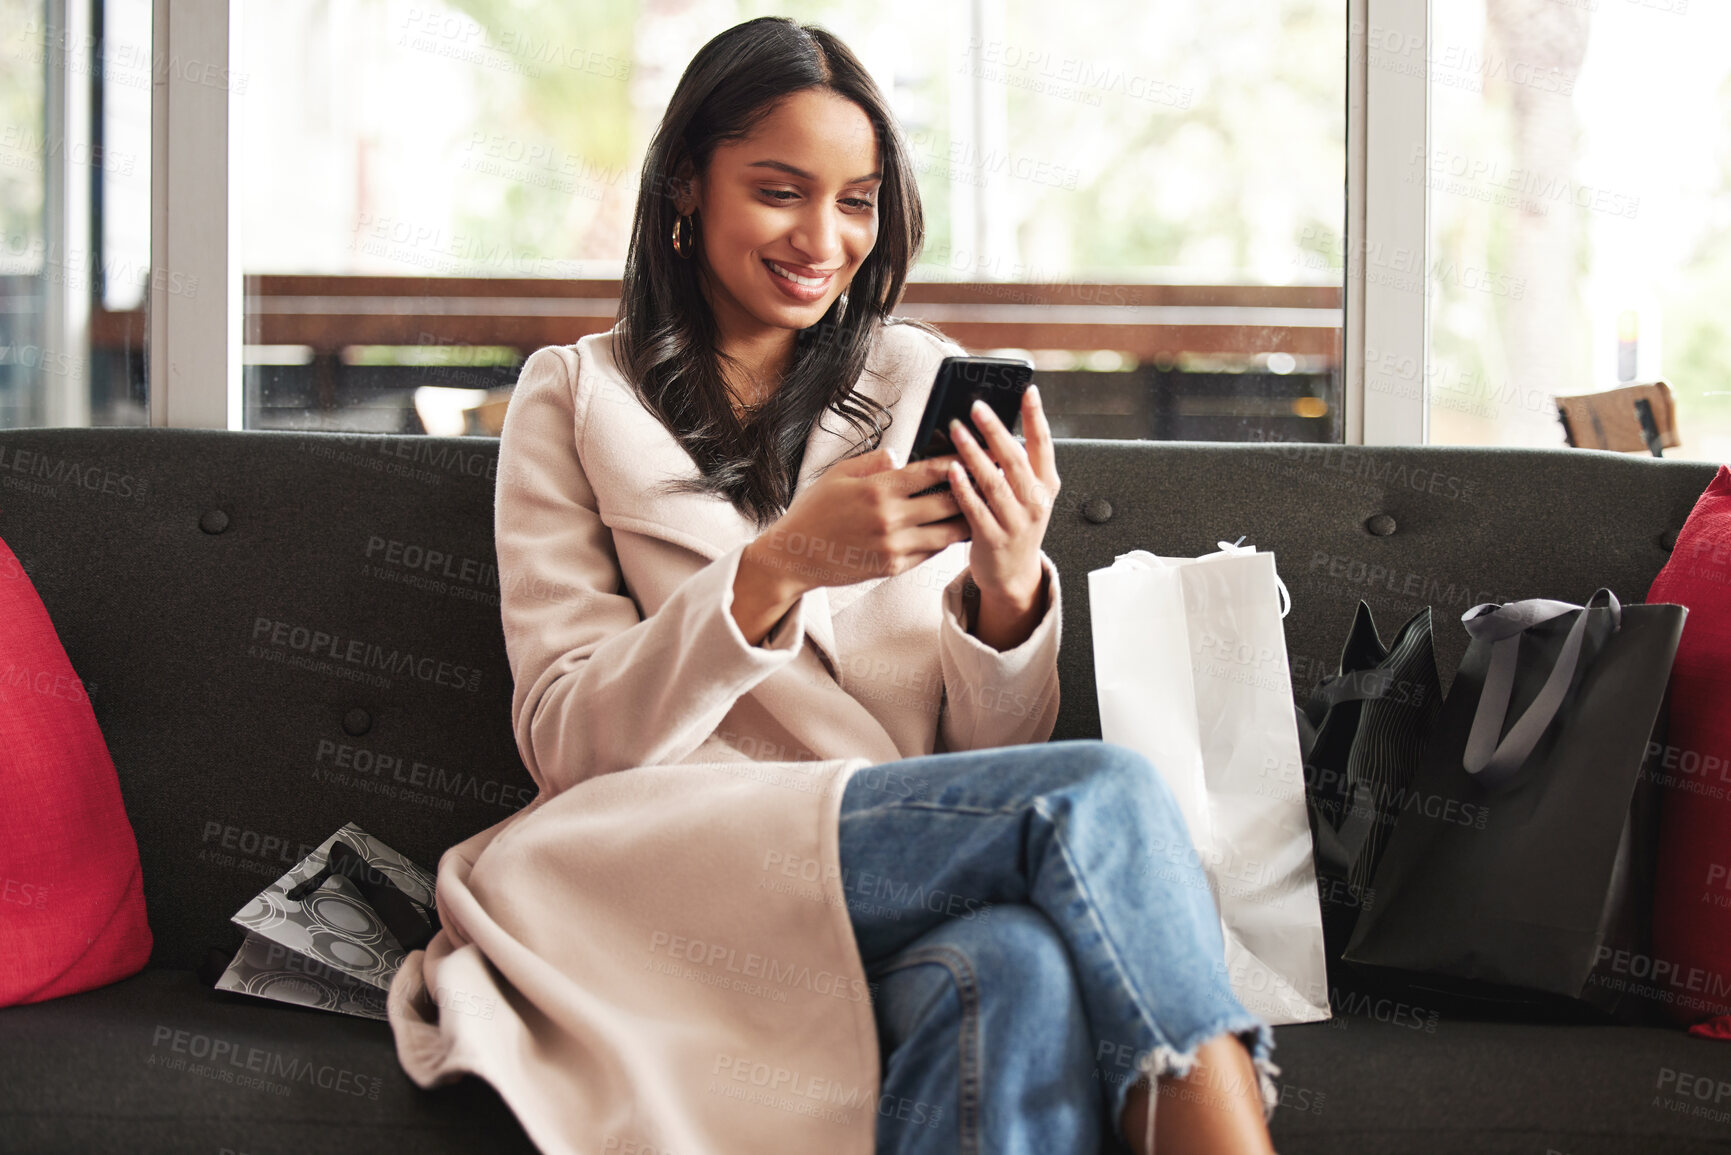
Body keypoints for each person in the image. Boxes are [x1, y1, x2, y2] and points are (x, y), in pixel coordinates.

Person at [387, 16, 1280, 1155]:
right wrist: (779, 568)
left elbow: (979, 759)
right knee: (1102, 796)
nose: (824, 236)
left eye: (856, 200)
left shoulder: (917, 381)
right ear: (684, 192)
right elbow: (567, 739)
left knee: (1016, 968)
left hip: (891, 853)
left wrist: (1006, 592)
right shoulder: (573, 397)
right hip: (669, 857)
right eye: (779, 191)